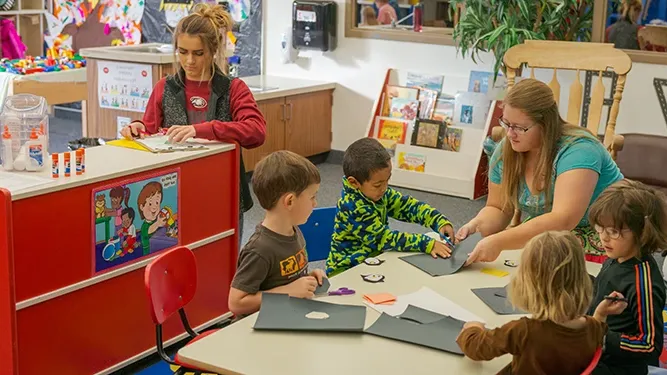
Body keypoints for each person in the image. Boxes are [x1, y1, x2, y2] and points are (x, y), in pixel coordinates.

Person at [119, 4, 266, 242]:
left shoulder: (233, 88)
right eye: (182, 51)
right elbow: (149, 130)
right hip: (175, 194)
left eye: (198, 53)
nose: (189, 61)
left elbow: (256, 132)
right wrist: (137, 129)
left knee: (223, 262)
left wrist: (203, 130)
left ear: (213, 50)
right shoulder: (165, 88)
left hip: (223, 192)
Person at [457, 79, 623, 265]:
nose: (510, 134)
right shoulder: (507, 150)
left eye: (520, 127)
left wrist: (499, 241)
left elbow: (564, 220)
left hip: (608, 235)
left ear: (546, 124)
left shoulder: (580, 150)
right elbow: (498, 208)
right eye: (506, 123)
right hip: (551, 232)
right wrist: (477, 226)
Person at [456, 231, 625, 375]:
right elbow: (597, 330)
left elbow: (477, 349)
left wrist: (472, 329)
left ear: (529, 284)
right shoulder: (592, 328)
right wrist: (600, 315)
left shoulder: (524, 332)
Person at [325, 138, 454, 277]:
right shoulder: (352, 207)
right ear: (354, 182)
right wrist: (426, 244)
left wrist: (438, 220)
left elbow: (407, 206)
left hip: (373, 263)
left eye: (387, 180)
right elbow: (384, 239)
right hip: (347, 272)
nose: (384, 188)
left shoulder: (378, 193)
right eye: (378, 184)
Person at [586, 179, 667, 375]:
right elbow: (602, 289)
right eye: (600, 229)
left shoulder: (644, 283)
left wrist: (603, 338)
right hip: (596, 346)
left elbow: (649, 345)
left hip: (615, 366)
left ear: (642, 231)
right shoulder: (616, 258)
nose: (604, 238)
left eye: (613, 232)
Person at [228, 151, 325, 318]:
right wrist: (289, 291)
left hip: (288, 317)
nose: (315, 203)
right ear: (290, 201)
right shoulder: (259, 249)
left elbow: (282, 280)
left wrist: (308, 280)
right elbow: (236, 303)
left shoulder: (294, 230)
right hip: (261, 330)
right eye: (312, 197)